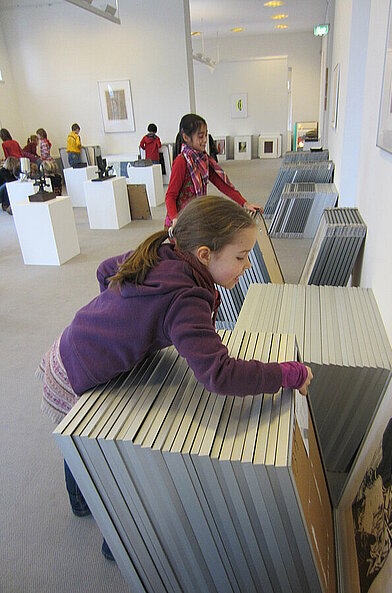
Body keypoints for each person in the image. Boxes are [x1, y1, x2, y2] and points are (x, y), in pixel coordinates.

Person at [37, 195, 312, 559]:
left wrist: (123, 324)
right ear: (203, 255)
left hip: (66, 346)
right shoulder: (186, 298)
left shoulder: (165, 251)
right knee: (98, 450)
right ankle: (115, 539)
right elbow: (219, 374)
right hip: (72, 377)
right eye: (240, 257)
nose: (247, 266)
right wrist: (287, 373)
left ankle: (79, 499)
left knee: (81, 442)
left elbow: (105, 270)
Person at [164, 113, 262, 228]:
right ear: (186, 138)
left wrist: (244, 203)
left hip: (196, 217)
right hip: (180, 224)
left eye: (206, 135)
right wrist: (175, 219)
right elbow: (170, 196)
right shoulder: (181, 162)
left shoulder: (203, 160)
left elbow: (222, 184)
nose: (205, 140)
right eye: (200, 136)